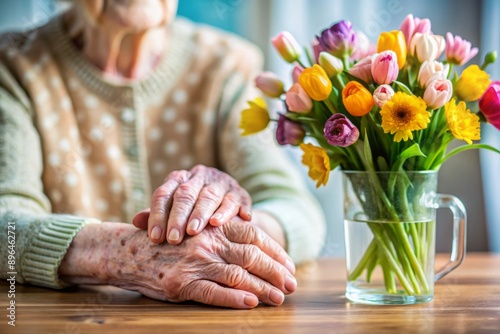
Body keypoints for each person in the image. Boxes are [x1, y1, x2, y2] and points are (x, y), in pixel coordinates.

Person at [0, 0, 326, 308]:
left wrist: (225, 234)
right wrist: (123, 255)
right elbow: (6, 223)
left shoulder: (224, 63)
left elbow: (296, 210)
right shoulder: (14, 63)